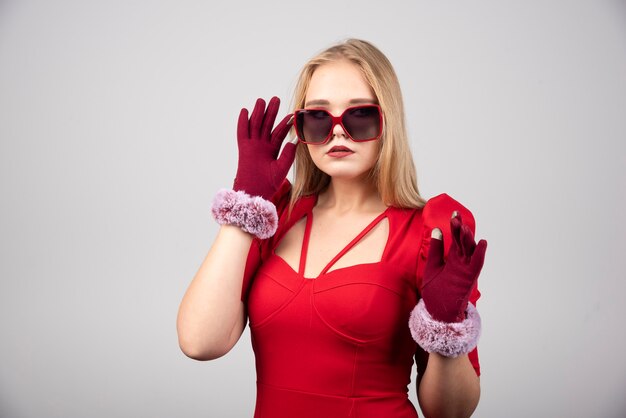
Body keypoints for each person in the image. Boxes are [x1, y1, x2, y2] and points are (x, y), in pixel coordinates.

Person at [177, 38, 487, 418]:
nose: (338, 132)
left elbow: (450, 413)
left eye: (359, 115)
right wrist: (244, 208)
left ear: (388, 121)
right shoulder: (276, 216)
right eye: (319, 117)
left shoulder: (429, 233)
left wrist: (446, 323)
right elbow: (199, 342)